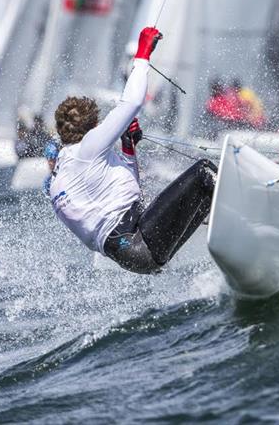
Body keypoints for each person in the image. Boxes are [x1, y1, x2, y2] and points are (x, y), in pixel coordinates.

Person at [46, 27, 217, 274]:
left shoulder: (63, 174)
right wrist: (142, 56)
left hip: (132, 251)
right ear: (92, 127)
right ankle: (257, 208)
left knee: (205, 194)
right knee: (203, 173)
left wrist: (128, 148)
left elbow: (126, 194)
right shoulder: (86, 148)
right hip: (139, 242)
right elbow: (133, 102)